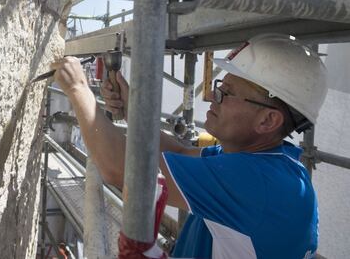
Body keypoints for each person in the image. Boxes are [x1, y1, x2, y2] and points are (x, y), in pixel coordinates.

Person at [53, 34, 327, 259]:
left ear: (268, 119)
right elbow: (181, 152)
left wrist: (78, 90)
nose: (212, 96)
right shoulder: (264, 161)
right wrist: (133, 111)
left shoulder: (258, 184)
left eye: (226, 93)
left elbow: (117, 168)